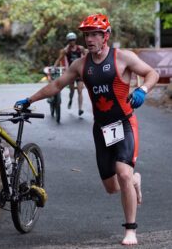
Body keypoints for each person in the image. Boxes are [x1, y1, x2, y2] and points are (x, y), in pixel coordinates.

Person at [14, 14, 159, 246]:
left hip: (124, 124)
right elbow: (56, 85)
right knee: (112, 187)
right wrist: (29, 100)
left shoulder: (123, 58)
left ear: (106, 36)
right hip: (101, 129)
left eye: (95, 34)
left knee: (122, 173)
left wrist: (143, 89)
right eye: (87, 34)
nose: (89, 39)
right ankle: (134, 180)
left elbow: (153, 73)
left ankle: (130, 230)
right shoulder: (80, 65)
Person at [54, 32, 86, 115]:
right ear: (68, 41)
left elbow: (87, 56)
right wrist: (54, 67)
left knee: (80, 90)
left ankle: (80, 109)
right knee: (72, 91)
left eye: (73, 40)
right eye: (70, 40)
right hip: (71, 73)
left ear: (75, 40)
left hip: (79, 72)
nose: (72, 42)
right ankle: (71, 99)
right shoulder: (65, 50)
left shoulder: (80, 48)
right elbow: (59, 59)